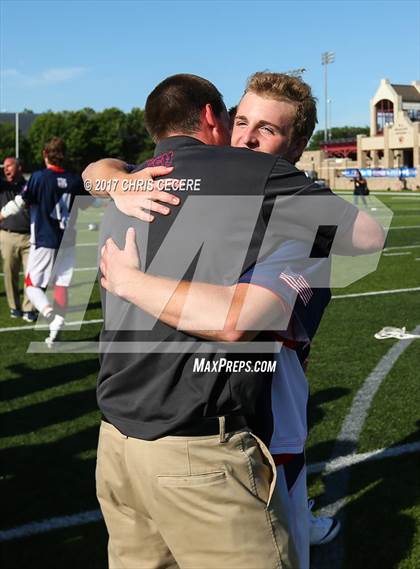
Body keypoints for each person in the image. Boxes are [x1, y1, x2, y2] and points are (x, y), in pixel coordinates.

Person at [85, 73, 384, 569]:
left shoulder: (294, 225)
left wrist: (129, 280)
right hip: (177, 433)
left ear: (297, 145)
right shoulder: (207, 190)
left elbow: (236, 321)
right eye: (240, 121)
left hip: (263, 423)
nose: (244, 137)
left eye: (266, 130)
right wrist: (111, 179)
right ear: (218, 121)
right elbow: (105, 170)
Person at [0, 138, 86, 346]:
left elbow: (21, 201)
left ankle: (51, 316)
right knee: (61, 285)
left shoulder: (39, 177)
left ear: (45, 154)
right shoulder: (74, 179)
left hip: (45, 239)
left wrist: (2, 214)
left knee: (31, 286)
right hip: (68, 240)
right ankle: (56, 331)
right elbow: (85, 204)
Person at [0, 157, 36, 321]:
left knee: (31, 274)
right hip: (7, 235)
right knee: (10, 273)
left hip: (29, 237)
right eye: (4, 166)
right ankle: (14, 306)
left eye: (9, 166)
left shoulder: (29, 185)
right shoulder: (2, 185)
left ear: (19, 167)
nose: (5, 169)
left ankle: (29, 308)